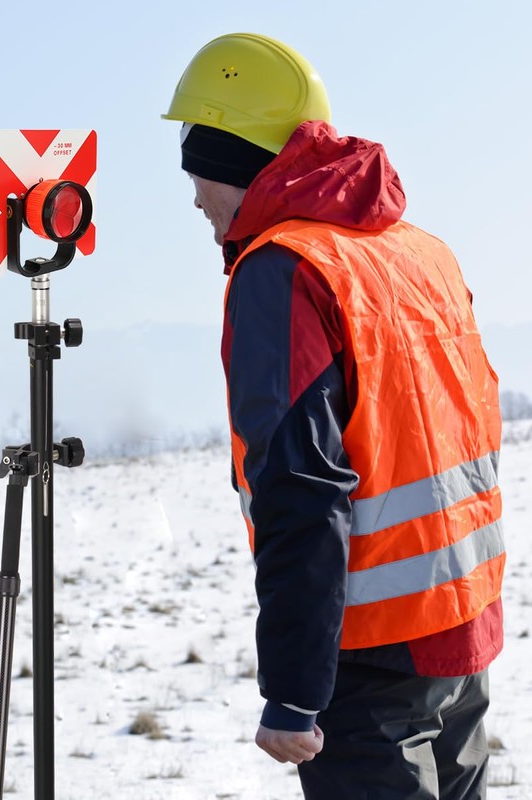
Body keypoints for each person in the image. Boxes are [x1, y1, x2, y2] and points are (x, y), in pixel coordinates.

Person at [162, 33, 505, 800]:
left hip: (369, 656)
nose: (193, 198)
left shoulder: (282, 272)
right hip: (460, 630)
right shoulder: (420, 253)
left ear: (240, 162)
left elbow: (301, 488)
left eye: (199, 171)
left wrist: (293, 689)